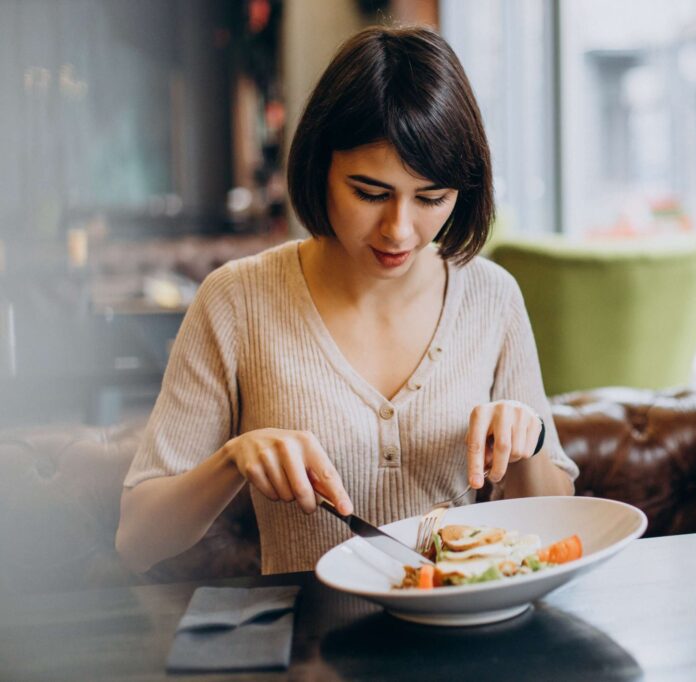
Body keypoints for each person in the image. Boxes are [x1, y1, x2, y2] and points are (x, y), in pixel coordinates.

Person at [115, 26, 578, 575]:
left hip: (466, 643)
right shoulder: (235, 300)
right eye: (370, 193)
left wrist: (531, 440)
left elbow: (559, 526)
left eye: (432, 198)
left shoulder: (492, 296)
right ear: (321, 166)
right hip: (312, 648)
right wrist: (233, 459)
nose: (399, 230)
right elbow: (138, 538)